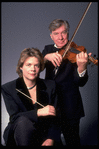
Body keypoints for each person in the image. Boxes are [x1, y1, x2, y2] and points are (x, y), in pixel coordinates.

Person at [42, 19, 92, 146]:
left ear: (68, 33)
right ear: (51, 36)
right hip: (51, 105)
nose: (61, 37)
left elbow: (81, 82)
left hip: (70, 105)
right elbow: (37, 65)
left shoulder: (77, 51)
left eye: (63, 32)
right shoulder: (47, 49)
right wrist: (46, 57)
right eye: (56, 33)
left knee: (72, 141)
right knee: (52, 141)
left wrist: (82, 67)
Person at [1, 47, 61, 146]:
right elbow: (15, 117)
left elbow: (56, 117)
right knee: (23, 122)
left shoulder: (51, 85)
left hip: (44, 133)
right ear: (21, 66)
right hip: (19, 133)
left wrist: (50, 138)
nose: (33, 69)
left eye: (36, 65)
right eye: (28, 65)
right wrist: (38, 112)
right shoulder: (8, 88)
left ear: (40, 67)